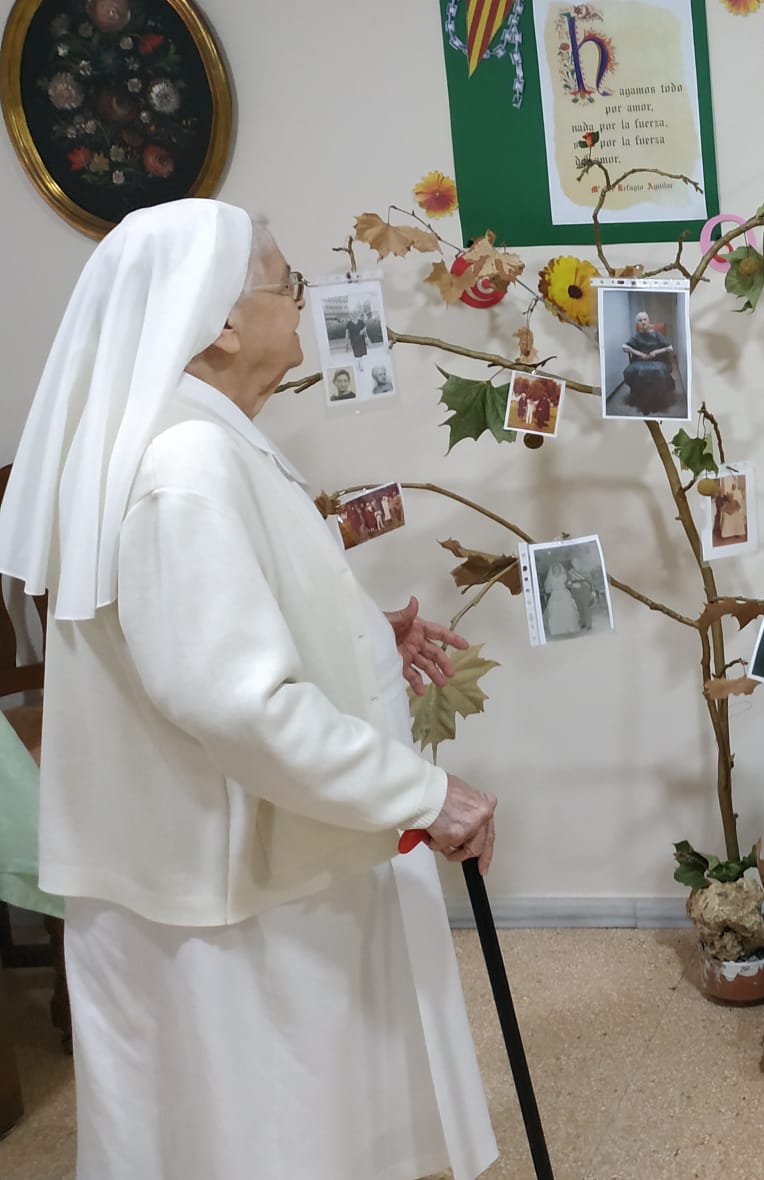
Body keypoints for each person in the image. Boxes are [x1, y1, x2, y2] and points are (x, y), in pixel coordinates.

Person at [0, 200, 500, 1180]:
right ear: (222, 322)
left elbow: (211, 631)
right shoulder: (184, 463)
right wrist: (426, 796)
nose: (301, 302)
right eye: (288, 285)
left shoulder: (200, 437)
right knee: (266, 1141)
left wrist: (363, 635)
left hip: (234, 872)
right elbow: (236, 703)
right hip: (221, 906)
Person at [619, 309, 680, 416]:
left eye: (645, 319)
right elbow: (624, 347)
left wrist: (656, 351)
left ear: (648, 321)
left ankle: (656, 401)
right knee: (638, 371)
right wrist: (638, 353)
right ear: (637, 324)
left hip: (657, 361)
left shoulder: (656, 334)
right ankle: (645, 403)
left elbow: (670, 348)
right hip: (640, 361)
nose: (643, 322)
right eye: (640, 320)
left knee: (657, 371)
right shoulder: (636, 336)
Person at [542, 553, 581, 638]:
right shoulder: (551, 578)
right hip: (555, 594)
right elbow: (548, 588)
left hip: (564, 592)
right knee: (555, 609)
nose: (556, 570)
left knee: (567, 608)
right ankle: (558, 629)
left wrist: (569, 584)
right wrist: (553, 589)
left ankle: (570, 628)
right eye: (555, 569)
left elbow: (567, 583)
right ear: (553, 570)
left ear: (560, 569)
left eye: (557, 568)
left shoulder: (563, 576)